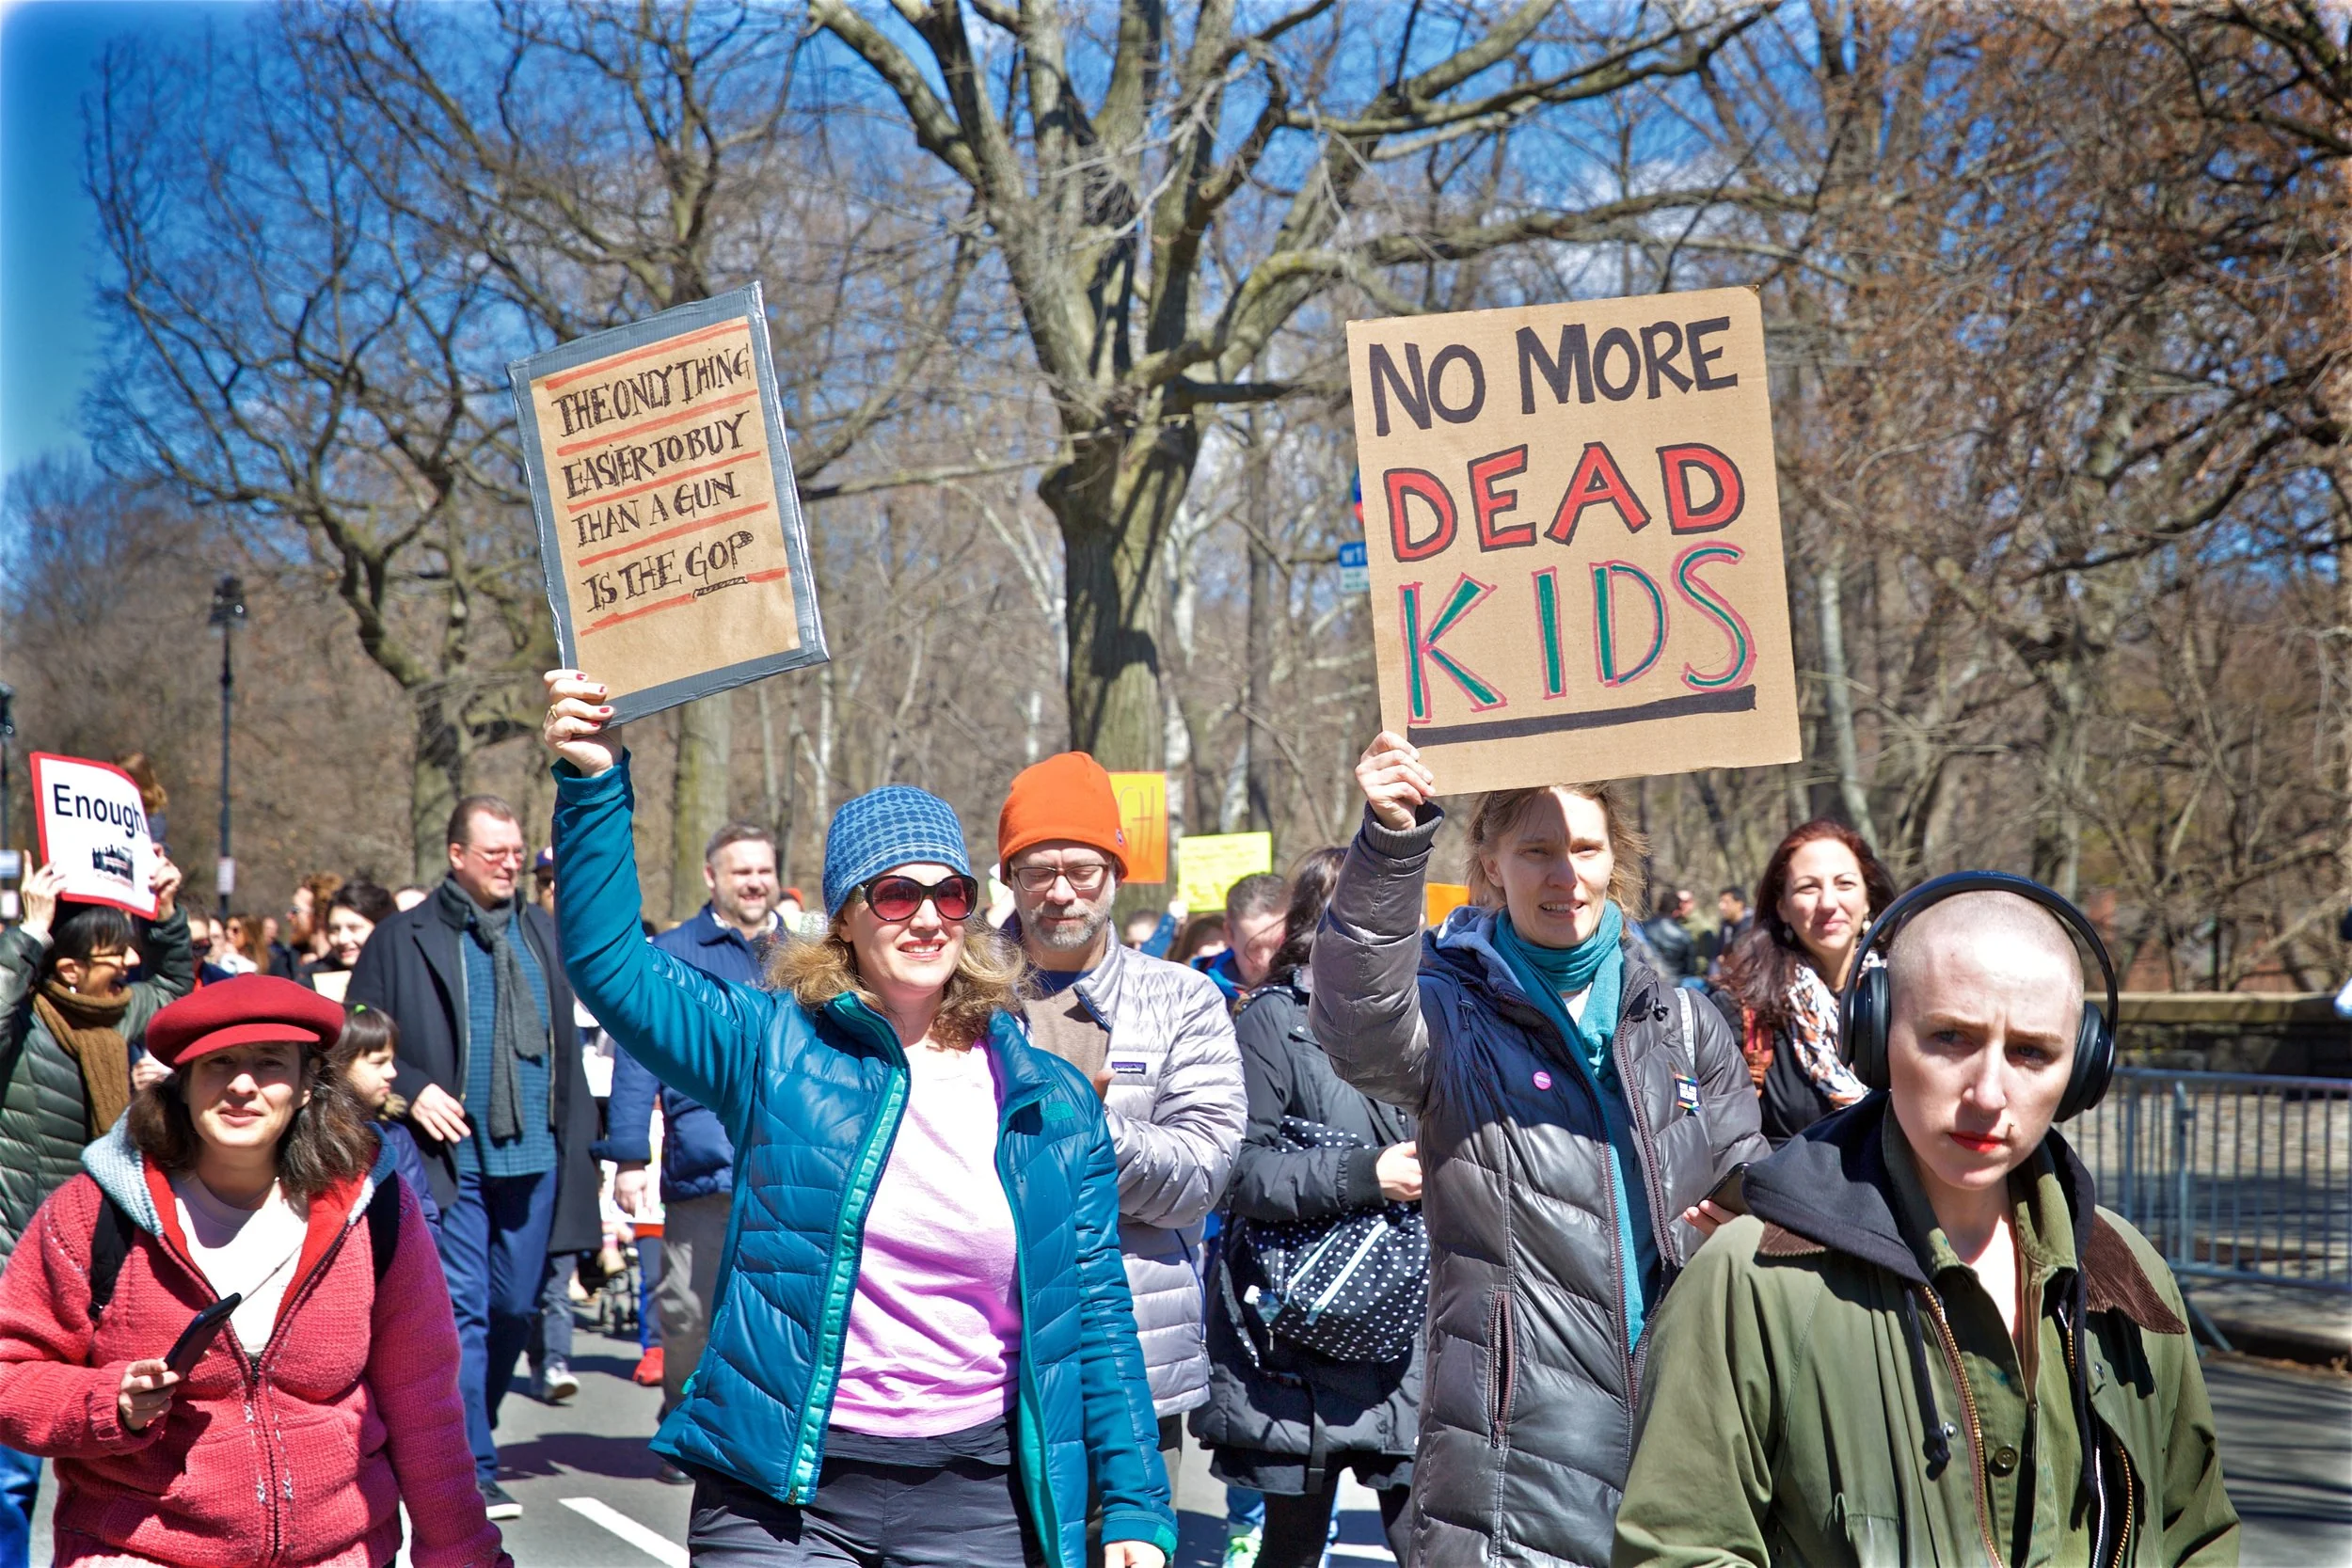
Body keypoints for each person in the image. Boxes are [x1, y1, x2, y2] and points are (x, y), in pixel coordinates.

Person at [540, 671, 1177, 1568]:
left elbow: (1098, 1313)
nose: (925, 917)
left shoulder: (1048, 1100)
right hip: (782, 1493)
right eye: (893, 894)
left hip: (976, 1498)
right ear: (842, 917)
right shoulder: (771, 1047)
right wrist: (596, 782)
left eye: (949, 894)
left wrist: (1140, 1510)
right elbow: (611, 966)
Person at [1614, 879, 2240, 1566]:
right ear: (1877, 1037)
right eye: (1950, 1037)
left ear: (2083, 1071)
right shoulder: (1748, 1282)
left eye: (2032, 1052)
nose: (1989, 1094)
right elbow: (1678, 1550)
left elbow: (2195, 1535)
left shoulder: (2130, 1280)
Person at [1311, 733, 1766, 1567]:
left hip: (1686, 1433)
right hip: (1511, 1459)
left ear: (1614, 859)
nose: (1566, 876)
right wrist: (1389, 839)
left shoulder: (1685, 1020)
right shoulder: (1451, 1011)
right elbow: (1354, 1023)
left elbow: (1751, 1187)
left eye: (1585, 849)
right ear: (1490, 863)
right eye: (1537, 851)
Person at [0, 976, 508, 1568]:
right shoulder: (94, 1211)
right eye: (218, 1064)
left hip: (342, 1552)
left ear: (308, 1086)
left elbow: (425, 1407)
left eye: (269, 1063)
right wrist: (107, 1402)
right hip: (136, 1549)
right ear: (182, 1083)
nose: (242, 1085)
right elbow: (11, 1376)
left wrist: (464, 1555)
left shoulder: (378, 1207)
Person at [346, 794, 603, 1520]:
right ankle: (472, 1463)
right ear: (456, 855)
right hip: (446, 1161)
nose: (511, 863)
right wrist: (412, 1092)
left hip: (538, 1155)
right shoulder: (403, 938)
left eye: (517, 851)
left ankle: (458, 1428)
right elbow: (355, 1038)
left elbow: (570, 1053)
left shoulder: (542, 932)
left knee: (513, 1308)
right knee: (462, 1312)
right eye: (495, 852)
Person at [996, 752, 1248, 1458]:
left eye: (1082, 869)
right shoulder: (958, 992)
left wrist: (1090, 1134)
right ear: (1009, 877)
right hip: (979, 1364)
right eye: (1038, 870)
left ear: (1115, 872)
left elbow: (1203, 1173)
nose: (1061, 892)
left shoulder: (1183, 999)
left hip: (1126, 1366)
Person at [1195, 847, 1422, 1568]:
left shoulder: (1429, 1019)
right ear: (1326, 922)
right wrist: (1366, 1173)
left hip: (1407, 1330)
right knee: (1292, 1547)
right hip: (1298, 1339)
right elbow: (1237, 1172)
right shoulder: (1273, 1020)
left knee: (1431, 1542)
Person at [0, 860, 191, 1565]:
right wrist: (26, 930)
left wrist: (166, 913)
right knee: (10, 1470)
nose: (133, 965)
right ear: (72, 969)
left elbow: (171, 987)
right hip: (16, 1260)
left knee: (103, 1448)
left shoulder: (115, 1016)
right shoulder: (23, 1026)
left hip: (98, 1268)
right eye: (118, 957)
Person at [609, 820, 787, 1480]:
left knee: (769, 1315)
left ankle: (747, 1438)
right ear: (712, 876)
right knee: (686, 1310)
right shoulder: (674, 951)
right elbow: (636, 1053)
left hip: (782, 1174)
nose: (754, 881)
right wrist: (630, 1154)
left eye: (763, 869)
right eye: (741, 870)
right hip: (701, 1172)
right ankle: (682, 1413)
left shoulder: (800, 955)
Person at [1715, 820, 1895, 1146]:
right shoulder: (1741, 1012)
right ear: (1782, 907)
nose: (1828, 903)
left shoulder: (1905, 997)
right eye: (1808, 888)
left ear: (1868, 898)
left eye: (1844, 883)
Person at [331, 1001, 442, 1238]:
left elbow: (425, 1218)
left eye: (391, 1061)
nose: (392, 1072)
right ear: (339, 1065)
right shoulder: (316, 1139)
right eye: (378, 1063)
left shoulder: (395, 1137)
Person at [1197, 875, 1287, 1006]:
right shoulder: (1199, 996)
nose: (1267, 961)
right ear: (1229, 934)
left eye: (1278, 945)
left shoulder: (1318, 988)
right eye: (1253, 948)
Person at [304, 880, 396, 1002]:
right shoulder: (311, 980)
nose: (342, 939)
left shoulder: (401, 976)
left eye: (354, 928)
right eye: (335, 930)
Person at [1639, 888, 1700, 987]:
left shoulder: (1642, 928)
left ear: (1659, 906)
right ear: (1676, 911)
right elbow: (1691, 968)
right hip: (1674, 984)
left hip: (1645, 981)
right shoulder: (1684, 935)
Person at [1701, 885, 1749, 980]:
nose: (1721, 906)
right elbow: (1716, 954)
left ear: (1739, 904)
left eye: (1726, 902)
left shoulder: (1752, 926)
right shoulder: (1726, 926)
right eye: (1721, 902)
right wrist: (1713, 974)